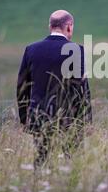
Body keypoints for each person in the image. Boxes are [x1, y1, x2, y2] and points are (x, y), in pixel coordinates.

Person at [17, 10, 92, 168]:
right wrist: (86, 121)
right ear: (69, 27)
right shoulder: (76, 50)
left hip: (39, 116)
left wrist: (25, 118)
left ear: (49, 26)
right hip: (69, 119)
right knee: (72, 163)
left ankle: (39, 188)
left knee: (42, 160)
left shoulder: (31, 50)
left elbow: (22, 88)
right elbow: (81, 89)